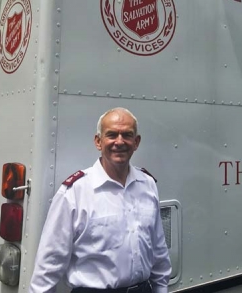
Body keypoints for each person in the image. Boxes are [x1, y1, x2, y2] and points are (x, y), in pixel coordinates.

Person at [30, 107, 171, 293]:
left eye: (127, 135)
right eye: (111, 134)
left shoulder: (148, 185)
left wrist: (161, 289)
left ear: (136, 142)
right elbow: (49, 265)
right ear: (98, 141)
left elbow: (158, 251)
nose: (119, 142)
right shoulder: (74, 193)